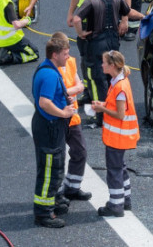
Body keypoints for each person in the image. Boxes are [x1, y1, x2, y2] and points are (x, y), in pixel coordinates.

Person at [72, 0, 143, 126]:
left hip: (96, 45)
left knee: (97, 80)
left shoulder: (90, 1)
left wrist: (81, 33)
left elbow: (76, 19)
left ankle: (101, 118)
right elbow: (129, 12)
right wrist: (145, 17)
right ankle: (115, 109)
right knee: (112, 77)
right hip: (113, 44)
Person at [66, 0, 131, 99]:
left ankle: (110, 92)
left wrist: (124, 20)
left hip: (105, 23)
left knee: (109, 60)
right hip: (86, 23)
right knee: (86, 59)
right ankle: (90, 91)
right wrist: (70, 13)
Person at [31, 36, 78, 228]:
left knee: (53, 167)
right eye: (65, 54)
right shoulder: (50, 75)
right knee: (50, 170)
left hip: (49, 125)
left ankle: (54, 201)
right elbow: (44, 102)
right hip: (49, 126)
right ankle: (43, 213)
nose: (68, 57)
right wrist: (63, 112)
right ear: (55, 54)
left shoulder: (49, 69)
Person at [91, 50, 139, 218]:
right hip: (121, 136)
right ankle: (125, 200)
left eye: (104, 62)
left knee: (114, 171)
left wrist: (100, 108)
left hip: (117, 137)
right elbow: (116, 107)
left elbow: (119, 114)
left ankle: (116, 205)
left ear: (112, 65)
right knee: (120, 168)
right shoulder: (119, 81)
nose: (102, 65)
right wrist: (104, 104)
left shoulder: (119, 87)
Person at [48, 32, 92, 204]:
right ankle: (56, 193)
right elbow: (65, 91)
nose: (68, 55)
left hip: (72, 117)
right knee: (57, 158)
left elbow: (79, 85)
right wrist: (73, 89)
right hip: (58, 117)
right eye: (65, 52)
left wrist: (71, 89)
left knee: (80, 152)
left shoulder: (71, 62)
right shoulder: (53, 67)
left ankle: (72, 187)